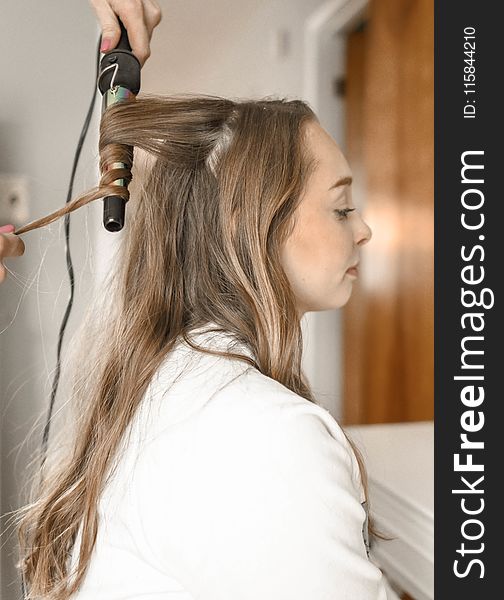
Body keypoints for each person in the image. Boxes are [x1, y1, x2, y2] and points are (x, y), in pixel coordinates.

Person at [11, 2, 394, 600]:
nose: (363, 231)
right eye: (341, 207)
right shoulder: (269, 436)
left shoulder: (162, 374)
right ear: (252, 222)